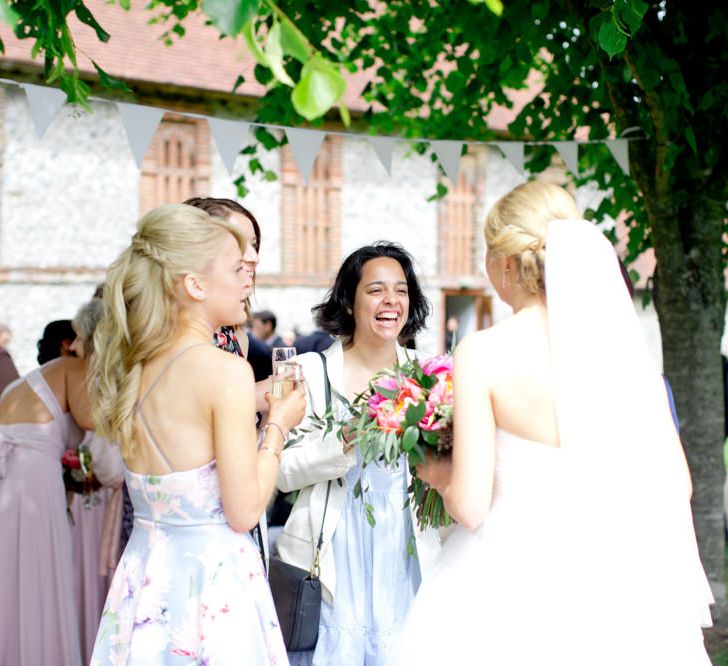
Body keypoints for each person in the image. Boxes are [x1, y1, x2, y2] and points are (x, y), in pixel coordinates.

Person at [391, 182, 713, 665]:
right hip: (618, 587)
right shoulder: (625, 358)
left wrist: (432, 470)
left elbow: (472, 507)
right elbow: (679, 486)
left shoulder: (483, 352)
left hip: (509, 584)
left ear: (503, 262)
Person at [89, 203, 305, 664]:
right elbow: (244, 511)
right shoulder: (224, 372)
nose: (248, 278)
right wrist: (278, 426)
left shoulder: (135, 366)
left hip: (144, 583)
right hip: (211, 588)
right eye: (235, 267)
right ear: (194, 284)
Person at [276, 242, 441, 666]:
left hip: (407, 546)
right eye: (376, 290)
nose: (391, 302)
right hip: (333, 551)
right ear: (349, 301)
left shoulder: (428, 373)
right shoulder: (312, 372)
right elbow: (280, 472)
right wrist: (344, 439)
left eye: (401, 291)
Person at [0, 300, 101, 666]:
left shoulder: (43, 373)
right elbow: (92, 419)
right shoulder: (74, 367)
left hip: (14, 476)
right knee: (38, 567)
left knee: (16, 570)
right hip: (33, 476)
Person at [0, 322, 19, 395]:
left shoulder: (4, 357)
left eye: (6, 342)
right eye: (4, 341)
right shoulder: (3, 357)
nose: (4, 345)